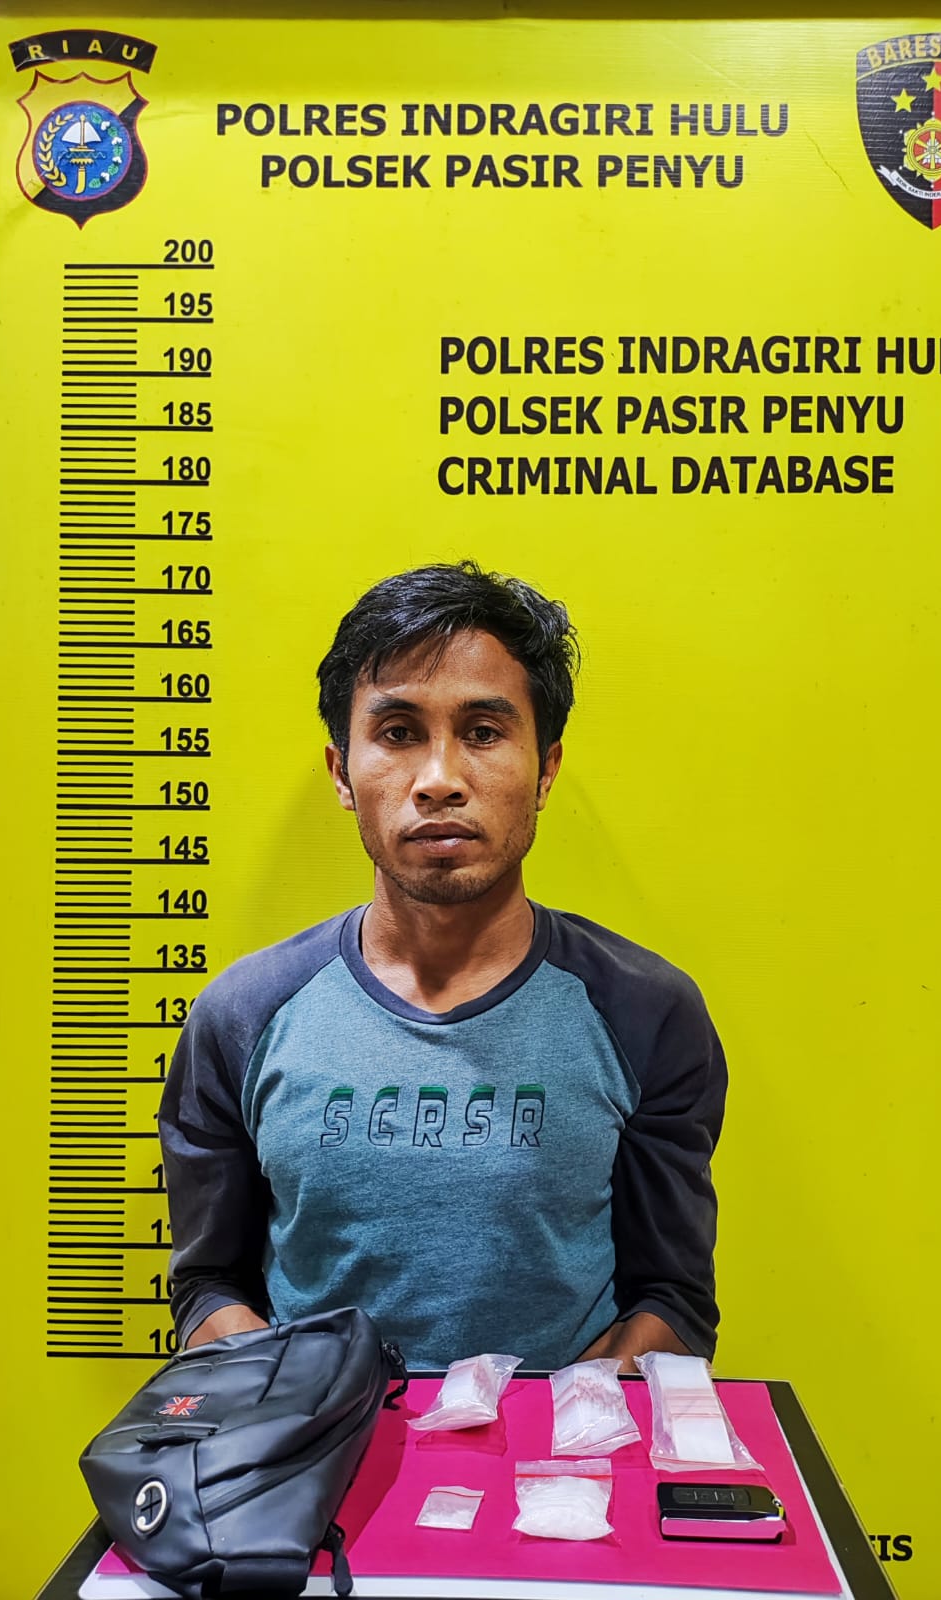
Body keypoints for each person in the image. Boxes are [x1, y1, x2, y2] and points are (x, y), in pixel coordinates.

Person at [159, 560, 727, 1371]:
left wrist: (546, 1426)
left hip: (558, 1451)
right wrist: (299, 1408)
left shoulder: (646, 1012)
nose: (439, 780)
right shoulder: (242, 1015)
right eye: (397, 734)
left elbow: (671, 1300)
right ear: (341, 774)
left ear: (545, 770)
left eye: (484, 733)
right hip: (316, 1444)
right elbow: (208, 1285)